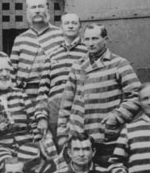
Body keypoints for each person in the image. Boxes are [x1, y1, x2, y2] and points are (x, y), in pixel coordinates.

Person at [58, 24, 141, 164]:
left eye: (95, 38)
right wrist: (62, 131)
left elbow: (137, 95)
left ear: (105, 40)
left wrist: (116, 117)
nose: (90, 43)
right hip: (78, 137)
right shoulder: (77, 65)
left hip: (104, 136)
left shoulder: (119, 63)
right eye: (87, 39)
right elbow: (66, 101)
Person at [10, 0, 63, 110]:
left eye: (40, 6)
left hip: (53, 90)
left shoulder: (60, 34)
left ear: (47, 9)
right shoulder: (21, 39)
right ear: (28, 12)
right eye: (33, 7)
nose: (37, 10)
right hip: (26, 92)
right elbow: (12, 69)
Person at [46, 13, 88, 145]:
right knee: (58, 144)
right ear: (61, 27)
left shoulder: (87, 51)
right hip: (54, 107)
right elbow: (44, 84)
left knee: (78, 143)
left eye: (74, 23)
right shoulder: (52, 53)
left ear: (80, 28)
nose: (70, 26)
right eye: (67, 23)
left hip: (77, 104)